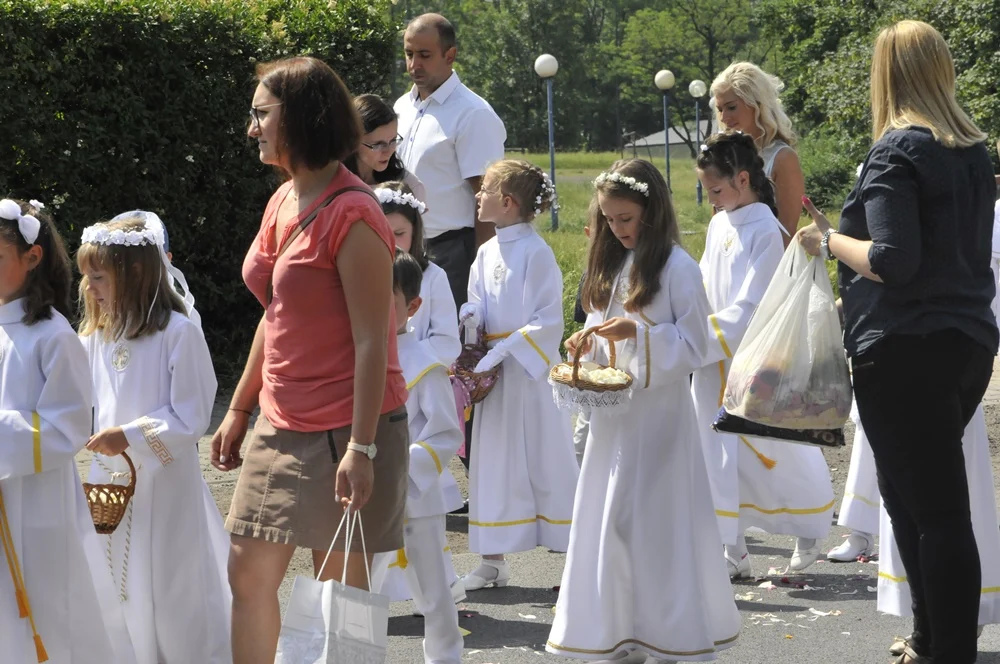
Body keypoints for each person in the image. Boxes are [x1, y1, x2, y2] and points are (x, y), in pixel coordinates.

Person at [798, 20, 998, 664]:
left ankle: (949, 650)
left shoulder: (894, 151)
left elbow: (893, 260)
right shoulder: (973, 152)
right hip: (966, 342)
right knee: (911, 499)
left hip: (904, 350)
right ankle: (930, 639)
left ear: (885, 75)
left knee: (933, 510)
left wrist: (828, 239)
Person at [211, 56, 410, 664]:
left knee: (337, 596)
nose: (251, 128)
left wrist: (362, 448)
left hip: (347, 429)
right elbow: (276, 313)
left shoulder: (356, 213)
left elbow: (374, 340)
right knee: (246, 573)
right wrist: (240, 408)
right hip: (279, 421)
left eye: (261, 114)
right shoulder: (282, 200)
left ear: (300, 117)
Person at [547, 160, 740, 664]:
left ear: (651, 211)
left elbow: (696, 344)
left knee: (653, 526)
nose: (617, 229)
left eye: (626, 218)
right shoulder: (612, 264)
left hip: (659, 421)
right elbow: (601, 324)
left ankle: (668, 636)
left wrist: (639, 333)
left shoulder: (678, 267)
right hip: (614, 421)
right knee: (611, 523)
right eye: (609, 220)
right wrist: (586, 341)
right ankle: (619, 632)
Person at [78, 214, 230, 663]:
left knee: (169, 579)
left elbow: (192, 413)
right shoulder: (98, 336)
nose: (89, 288)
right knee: (116, 578)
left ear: (135, 272)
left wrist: (128, 435)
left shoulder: (178, 333)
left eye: (99, 277)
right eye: (87, 277)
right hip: (112, 480)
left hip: (165, 482)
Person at [692, 131, 834, 578]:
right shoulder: (719, 224)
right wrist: (686, 326)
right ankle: (732, 549)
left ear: (743, 178)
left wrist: (699, 338)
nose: (711, 200)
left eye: (716, 190)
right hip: (711, 360)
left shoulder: (766, 230)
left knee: (776, 449)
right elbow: (702, 285)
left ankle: (809, 526)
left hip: (752, 360)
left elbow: (754, 304)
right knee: (715, 452)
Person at [0, 199, 134, 664]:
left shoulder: (53, 336)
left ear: (32, 257)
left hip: (35, 500)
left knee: (42, 605)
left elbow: (67, 426)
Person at [459, 160, 578, 590]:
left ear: (508, 202)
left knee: (546, 459)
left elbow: (548, 319)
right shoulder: (485, 251)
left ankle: (574, 557)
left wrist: (506, 349)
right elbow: (477, 301)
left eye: (486, 189)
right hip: (495, 377)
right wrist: (471, 319)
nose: (478, 195)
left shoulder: (536, 251)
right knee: (492, 461)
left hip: (529, 376)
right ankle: (492, 560)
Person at [370, 250, 464, 663]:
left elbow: (445, 432)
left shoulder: (426, 364)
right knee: (359, 587)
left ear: (412, 305)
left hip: (417, 498)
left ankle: (445, 657)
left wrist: (402, 472)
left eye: (385, 298)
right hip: (365, 495)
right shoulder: (353, 357)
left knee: (432, 590)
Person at [395, 12, 507, 310]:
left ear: (450, 55)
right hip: (402, 249)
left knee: (452, 336)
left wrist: (482, 270)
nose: (414, 64)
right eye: (409, 54)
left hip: (452, 253)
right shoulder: (401, 107)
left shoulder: (473, 114)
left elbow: (488, 199)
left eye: (424, 55)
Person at [712, 62, 805, 242]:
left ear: (756, 104)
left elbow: (786, 233)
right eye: (720, 109)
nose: (724, 117)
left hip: (770, 257)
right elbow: (716, 226)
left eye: (731, 107)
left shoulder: (782, 158)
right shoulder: (723, 157)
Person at [374, 181, 460, 366]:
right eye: (381, 232)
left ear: (415, 232)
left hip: (416, 376)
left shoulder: (433, 276)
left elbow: (447, 342)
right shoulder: (358, 275)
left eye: (399, 233)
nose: (390, 242)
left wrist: (404, 356)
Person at [344, 94, 427, 201]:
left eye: (393, 140)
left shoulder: (410, 187)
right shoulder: (331, 182)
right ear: (354, 141)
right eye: (378, 144)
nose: (388, 151)